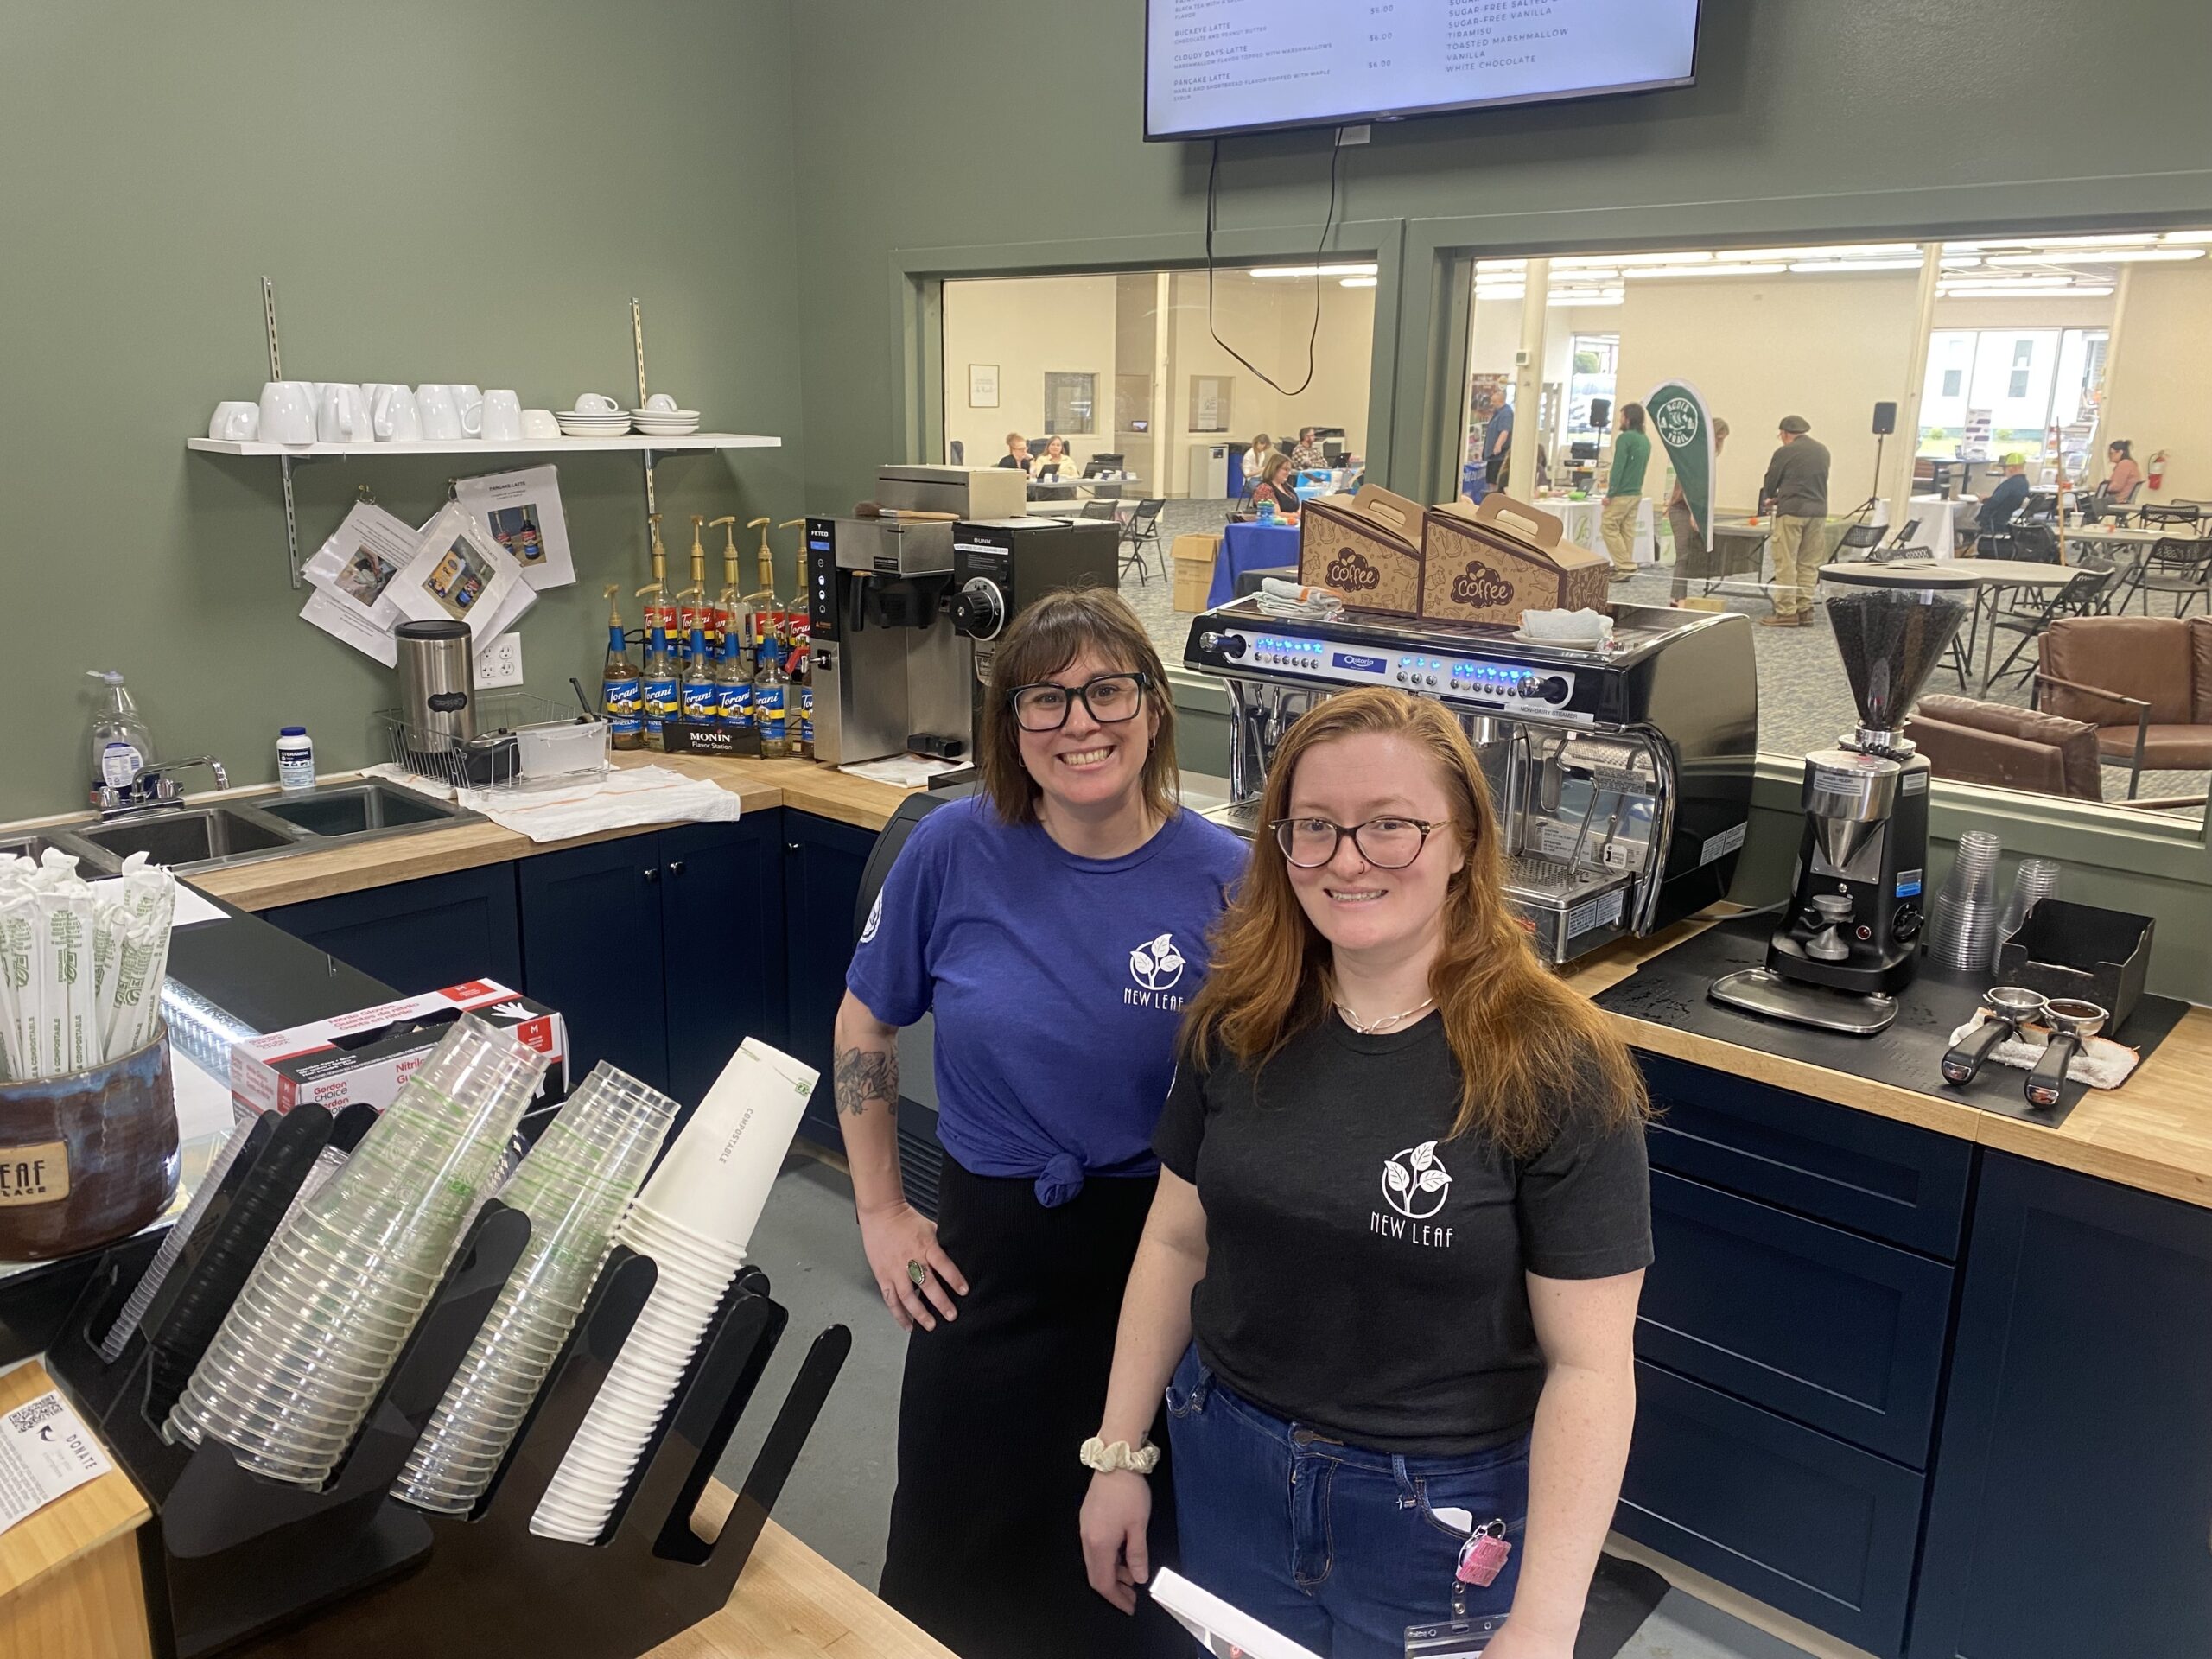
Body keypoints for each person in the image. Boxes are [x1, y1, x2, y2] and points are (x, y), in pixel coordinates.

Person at [1080, 687, 1651, 1659]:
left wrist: (1545, 1621)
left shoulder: (1553, 1060)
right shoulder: (1238, 1018)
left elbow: (1591, 1368)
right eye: (1314, 827)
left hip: (1439, 1511)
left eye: (1390, 826)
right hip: (1229, 1463)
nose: (1346, 859)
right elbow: (1177, 1240)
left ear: (1463, 839)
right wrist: (1118, 1455)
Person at [838, 586, 1247, 1659]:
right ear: (1008, 728)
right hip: (986, 1268)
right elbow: (863, 1025)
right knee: (951, 1569)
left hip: (1155, 1270)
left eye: (1107, 689)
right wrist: (879, 1209)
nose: (1080, 723)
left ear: (1154, 708)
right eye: (1044, 699)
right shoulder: (952, 849)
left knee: (1125, 1580)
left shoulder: (1230, 885)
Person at [1758, 415, 1831, 627]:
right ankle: (1805, 608)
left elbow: (1772, 480)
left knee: (1786, 562)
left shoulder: (1785, 451)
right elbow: (1808, 483)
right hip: (1818, 512)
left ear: (1784, 434)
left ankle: (1786, 611)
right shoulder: (1822, 450)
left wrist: (1771, 496)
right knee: (1809, 563)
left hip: (1792, 512)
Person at [1667, 416, 1728, 603]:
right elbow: (1688, 487)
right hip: (1681, 509)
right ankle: (1677, 599)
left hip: (1693, 509)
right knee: (1683, 555)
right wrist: (1695, 513)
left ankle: (1680, 597)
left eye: (1722, 439)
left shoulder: (1706, 457)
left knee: (1689, 556)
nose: (1720, 442)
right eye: (1718, 437)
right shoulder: (1694, 455)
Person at [1599, 403, 1650, 583]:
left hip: (1622, 492)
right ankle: (1626, 565)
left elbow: (1618, 467)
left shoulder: (1625, 439)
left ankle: (1625, 565)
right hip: (1636, 491)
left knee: (1608, 526)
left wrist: (1610, 493)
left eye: (1621, 416)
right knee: (1627, 529)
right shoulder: (1645, 440)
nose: (1619, 420)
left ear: (1628, 418)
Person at [1976, 454, 2031, 545]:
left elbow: (1993, 504)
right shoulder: (2024, 484)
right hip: (2006, 521)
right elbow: (2005, 501)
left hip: (1993, 523)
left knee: (1958, 520)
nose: (2004, 471)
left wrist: (1984, 500)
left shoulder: (2009, 484)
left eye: (2004, 468)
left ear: (2011, 468)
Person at [1249, 451, 1299, 518]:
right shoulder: (1264, 489)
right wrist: (1297, 515)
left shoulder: (1287, 487)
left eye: (1289, 470)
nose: (1288, 473)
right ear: (1275, 469)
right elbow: (1275, 514)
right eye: (1286, 469)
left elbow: (1298, 506)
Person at [1484, 397, 1516, 490]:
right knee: (1491, 480)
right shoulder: (1498, 413)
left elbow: (1505, 431)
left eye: (1493, 401)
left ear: (1500, 401)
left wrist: (1498, 445)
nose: (1491, 404)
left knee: (1495, 481)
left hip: (1498, 455)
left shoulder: (1506, 413)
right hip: (1493, 456)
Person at [2102, 439, 2142, 505]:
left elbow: (2116, 487)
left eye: (2111, 453)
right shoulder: (2131, 464)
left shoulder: (2124, 464)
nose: (2109, 456)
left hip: (2118, 500)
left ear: (2120, 452)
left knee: (2085, 503)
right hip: (2124, 499)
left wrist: (2101, 488)